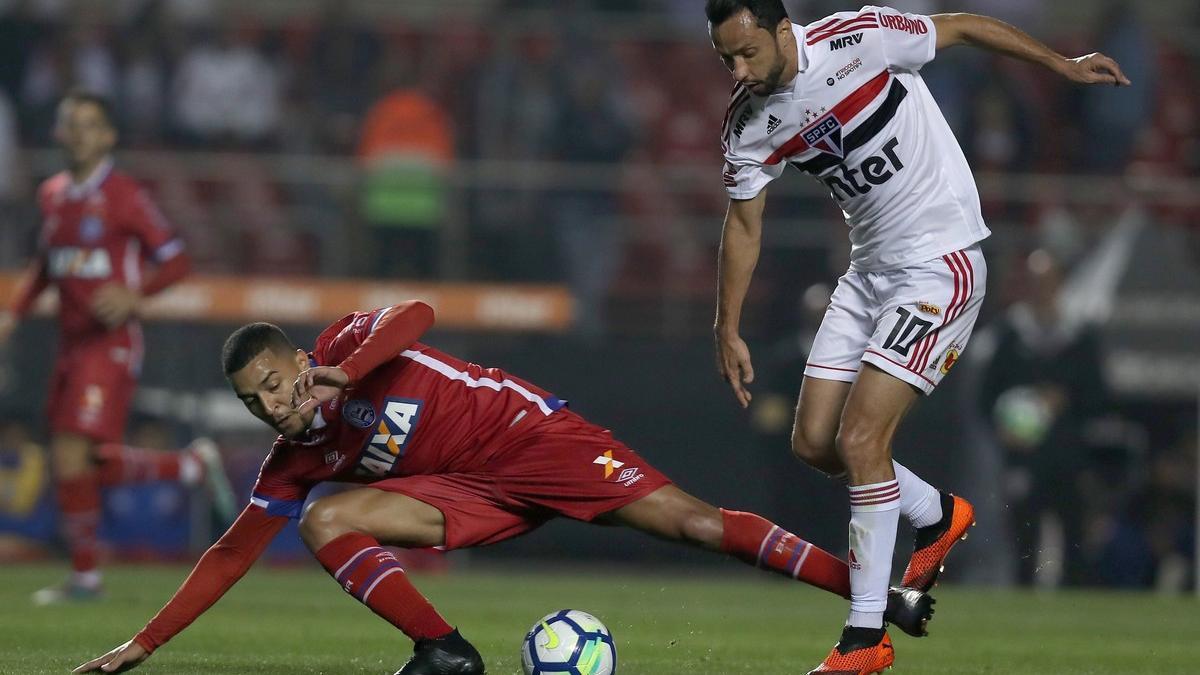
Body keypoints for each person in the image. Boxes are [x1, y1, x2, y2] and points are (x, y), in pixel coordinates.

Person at [74, 301, 935, 675]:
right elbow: (229, 555)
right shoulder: (292, 461)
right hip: (464, 492)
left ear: (301, 359)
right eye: (254, 398)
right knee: (325, 518)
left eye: (278, 378)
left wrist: (347, 371)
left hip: (531, 439)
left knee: (694, 524)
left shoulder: (347, 342)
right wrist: (144, 644)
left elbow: (418, 316)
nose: (275, 401)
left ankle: (876, 593)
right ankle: (445, 651)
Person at [704, 2, 1129, 672]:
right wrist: (726, 325)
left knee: (861, 439)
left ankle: (865, 637)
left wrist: (1060, 64)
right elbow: (745, 224)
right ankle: (934, 513)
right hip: (868, 272)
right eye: (725, 57)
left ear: (783, 31)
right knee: (814, 441)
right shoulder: (749, 119)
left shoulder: (861, 39)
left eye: (747, 52)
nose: (739, 68)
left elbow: (958, 25)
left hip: (941, 263)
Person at [0, 90, 235, 604]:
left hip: (111, 345)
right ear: (60, 133)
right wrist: (13, 314)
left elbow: (176, 260)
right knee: (76, 463)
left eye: (90, 124)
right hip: (70, 344)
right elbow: (46, 264)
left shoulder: (125, 195)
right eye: (70, 123)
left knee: (69, 454)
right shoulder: (53, 194)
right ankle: (189, 466)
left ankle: (87, 578)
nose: (79, 133)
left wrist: (135, 294)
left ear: (108, 136)